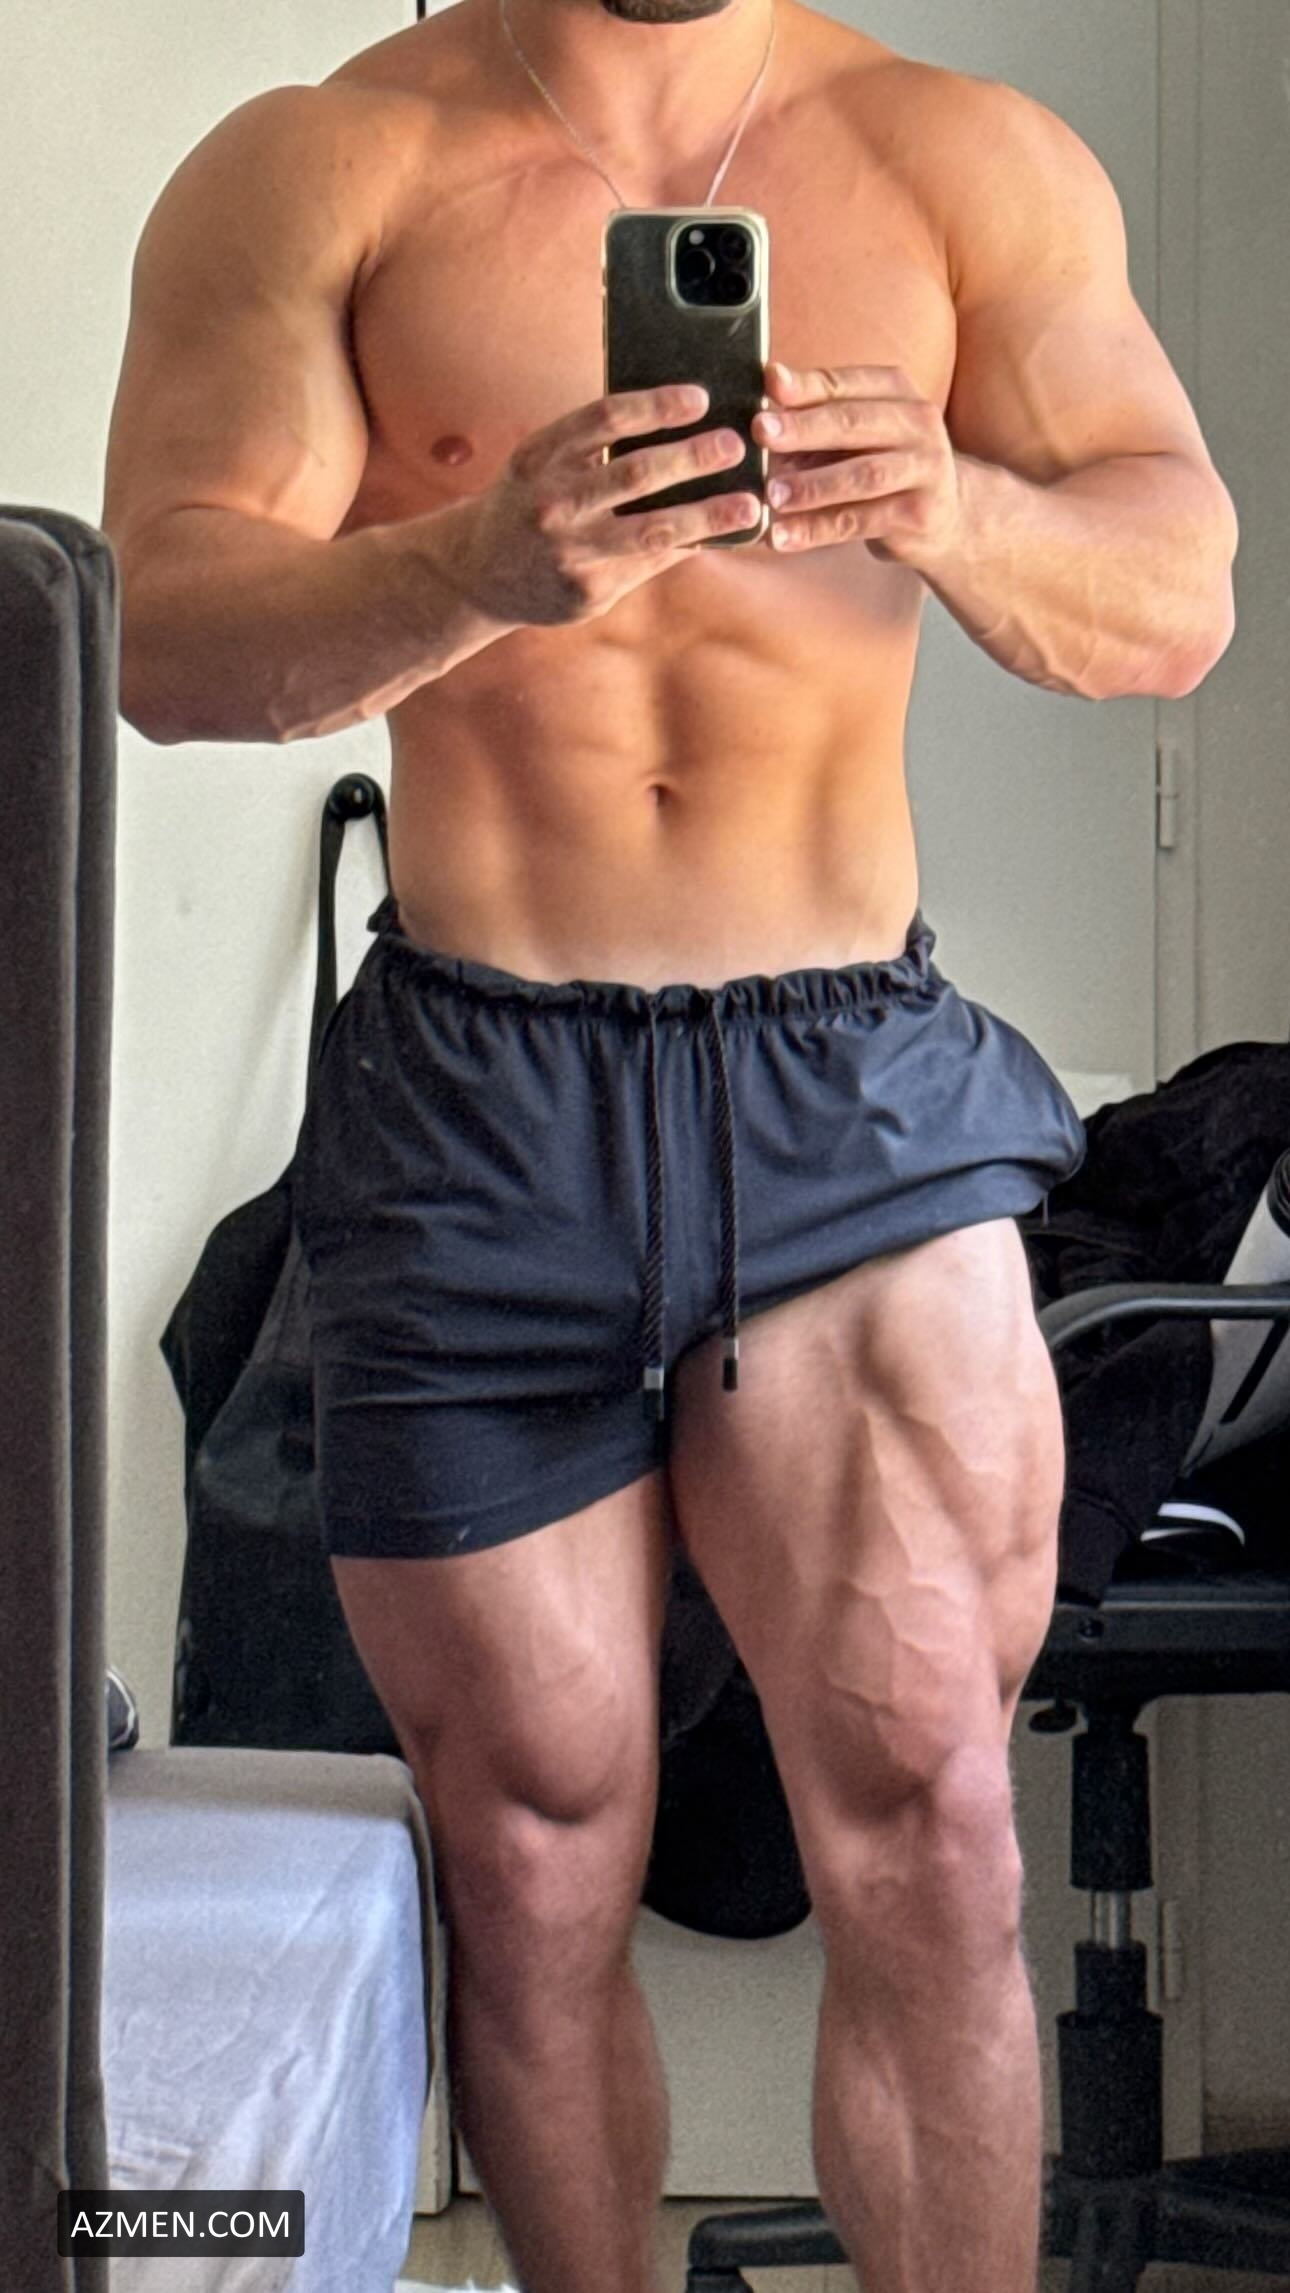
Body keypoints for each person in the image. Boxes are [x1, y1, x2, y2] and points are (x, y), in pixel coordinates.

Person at [101, 0, 1238, 2285]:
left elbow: (1174, 587)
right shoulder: (324, 167)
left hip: (847, 1093)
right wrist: (466, 564)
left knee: (932, 1828)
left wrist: (952, 504)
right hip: (476, 1091)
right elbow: (160, 627)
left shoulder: (952, 159)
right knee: (531, 1864)